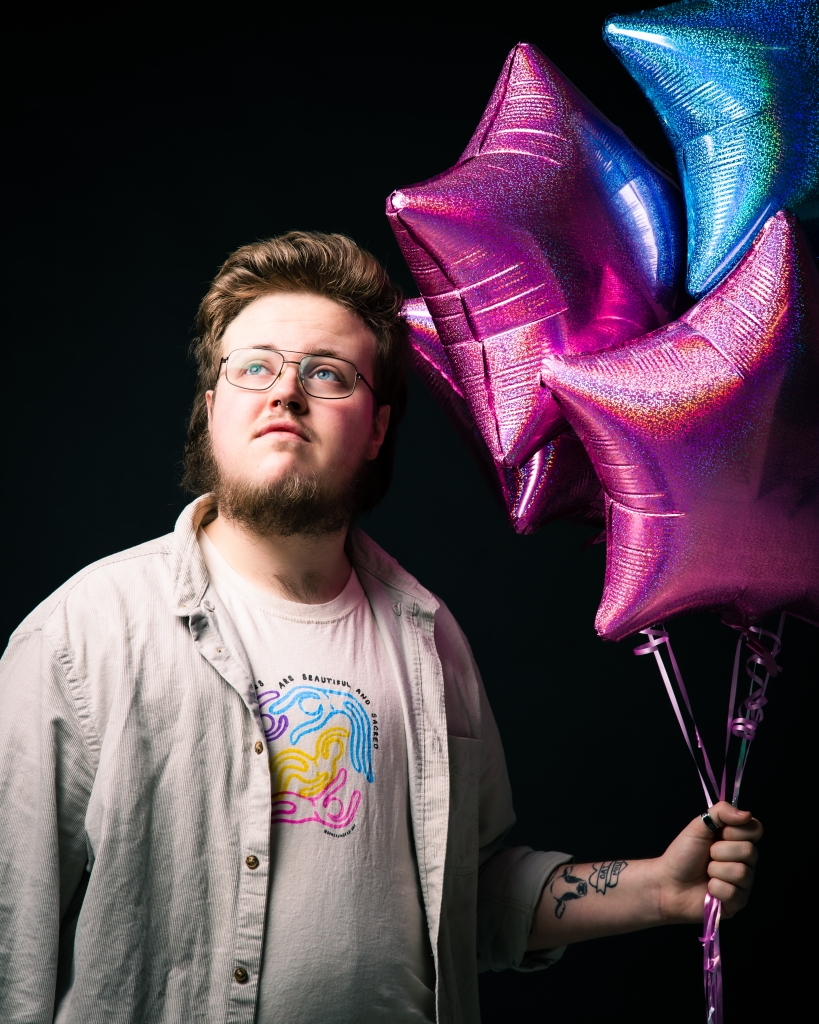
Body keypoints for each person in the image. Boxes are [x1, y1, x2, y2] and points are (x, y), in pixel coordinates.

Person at [0, 232, 762, 1024]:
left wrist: (654, 890)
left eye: (325, 374)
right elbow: (10, 933)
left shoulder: (430, 642)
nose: (285, 393)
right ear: (212, 406)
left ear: (375, 428)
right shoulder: (80, 636)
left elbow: (463, 894)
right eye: (253, 366)